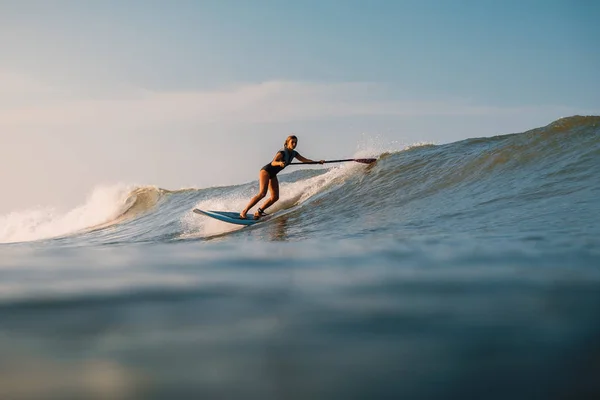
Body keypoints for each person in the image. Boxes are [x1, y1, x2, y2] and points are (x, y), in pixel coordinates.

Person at [240, 135, 324, 219]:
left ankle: (259, 212)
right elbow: (273, 162)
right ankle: (244, 211)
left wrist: (317, 162)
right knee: (262, 193)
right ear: (287, 143)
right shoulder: (282, 152)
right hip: (266, 171)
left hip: (273, 174)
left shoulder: (294, 153)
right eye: (292, 142)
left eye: (296, 142)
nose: (294, 144)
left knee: (275, 197)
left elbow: (304, 160)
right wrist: (279, 163)